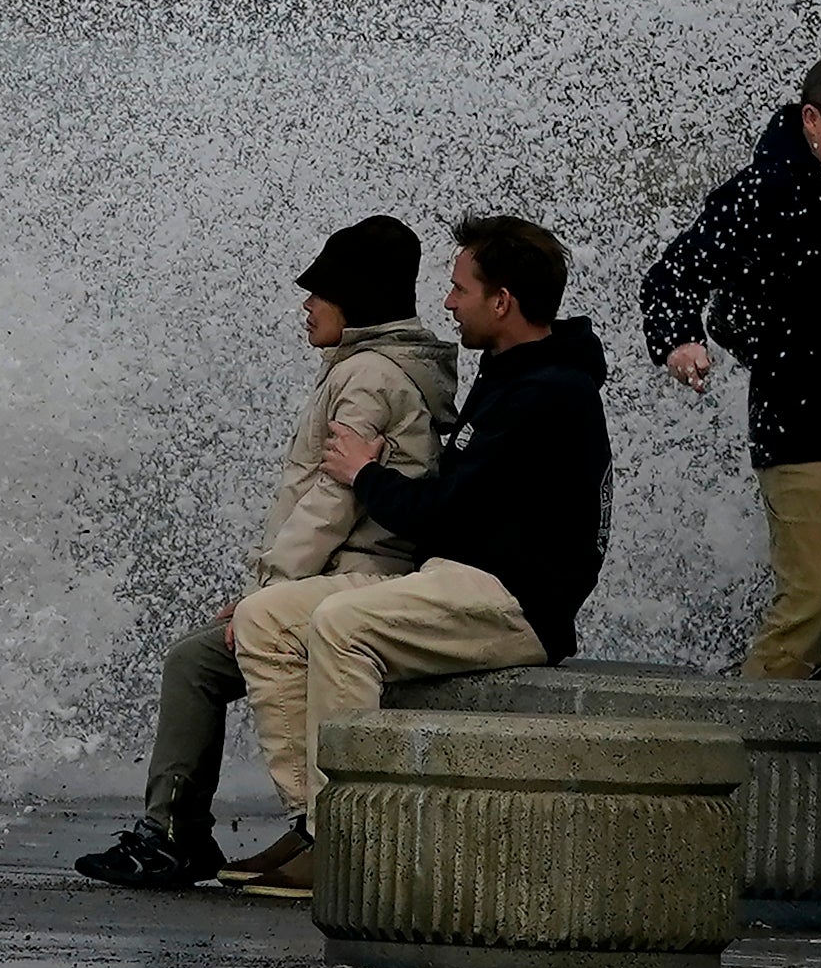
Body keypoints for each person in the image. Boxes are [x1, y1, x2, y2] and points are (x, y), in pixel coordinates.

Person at [211, 216, 613, 898]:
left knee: (341, 624)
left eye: (459, 289)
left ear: (502, 300)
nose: (448, 303)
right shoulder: (510, 374)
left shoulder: (550, 395)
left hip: (514, 603)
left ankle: (353, 840)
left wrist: (366, 474)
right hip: (457, 580)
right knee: (267, 619)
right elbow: (452, 504)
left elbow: (443, 511)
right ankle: (318, 823)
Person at [74, 219, 461, 891]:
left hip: (358, 580)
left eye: (320, 291)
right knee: (195, 658)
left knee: (196, 659)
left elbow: (329, 505)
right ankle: (178, 835)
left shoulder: (368, 375)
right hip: (355, 576)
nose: (305, 305)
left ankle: (226, 833)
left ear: (357, 298)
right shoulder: (377, 365)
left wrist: (265, 594)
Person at [641, 49, 821, 681]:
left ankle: (763, 693)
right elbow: (672, 278)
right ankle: (746, 745)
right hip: (803, 434)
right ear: (813, 120)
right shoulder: (765, 193)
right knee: (808, 602)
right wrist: (680, 340)